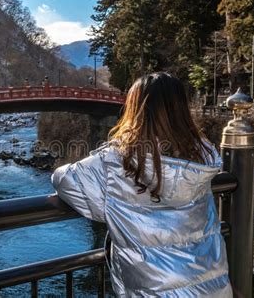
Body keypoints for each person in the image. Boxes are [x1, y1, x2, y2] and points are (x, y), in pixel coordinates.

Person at [51, 72, 232, 297]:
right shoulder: (200, 158)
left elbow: (64, 179)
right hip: (212, 286)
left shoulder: (115, 162)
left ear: (134, 110)